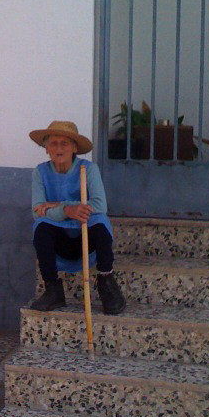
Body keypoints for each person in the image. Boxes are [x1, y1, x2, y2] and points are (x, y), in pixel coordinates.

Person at [28, 120, 125, 315]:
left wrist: (58, 206)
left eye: (65, 143)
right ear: (46, 148)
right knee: (41, 227)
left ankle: (107, 283)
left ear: (74, 148)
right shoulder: (40, 172)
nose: (59, 148)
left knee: (100, 223)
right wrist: (66, 211)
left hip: (85, 238)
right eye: (53, 143)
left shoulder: (88, 169)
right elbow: (37, 210)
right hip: (61, 241)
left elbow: (99, 205)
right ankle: (53, 289)